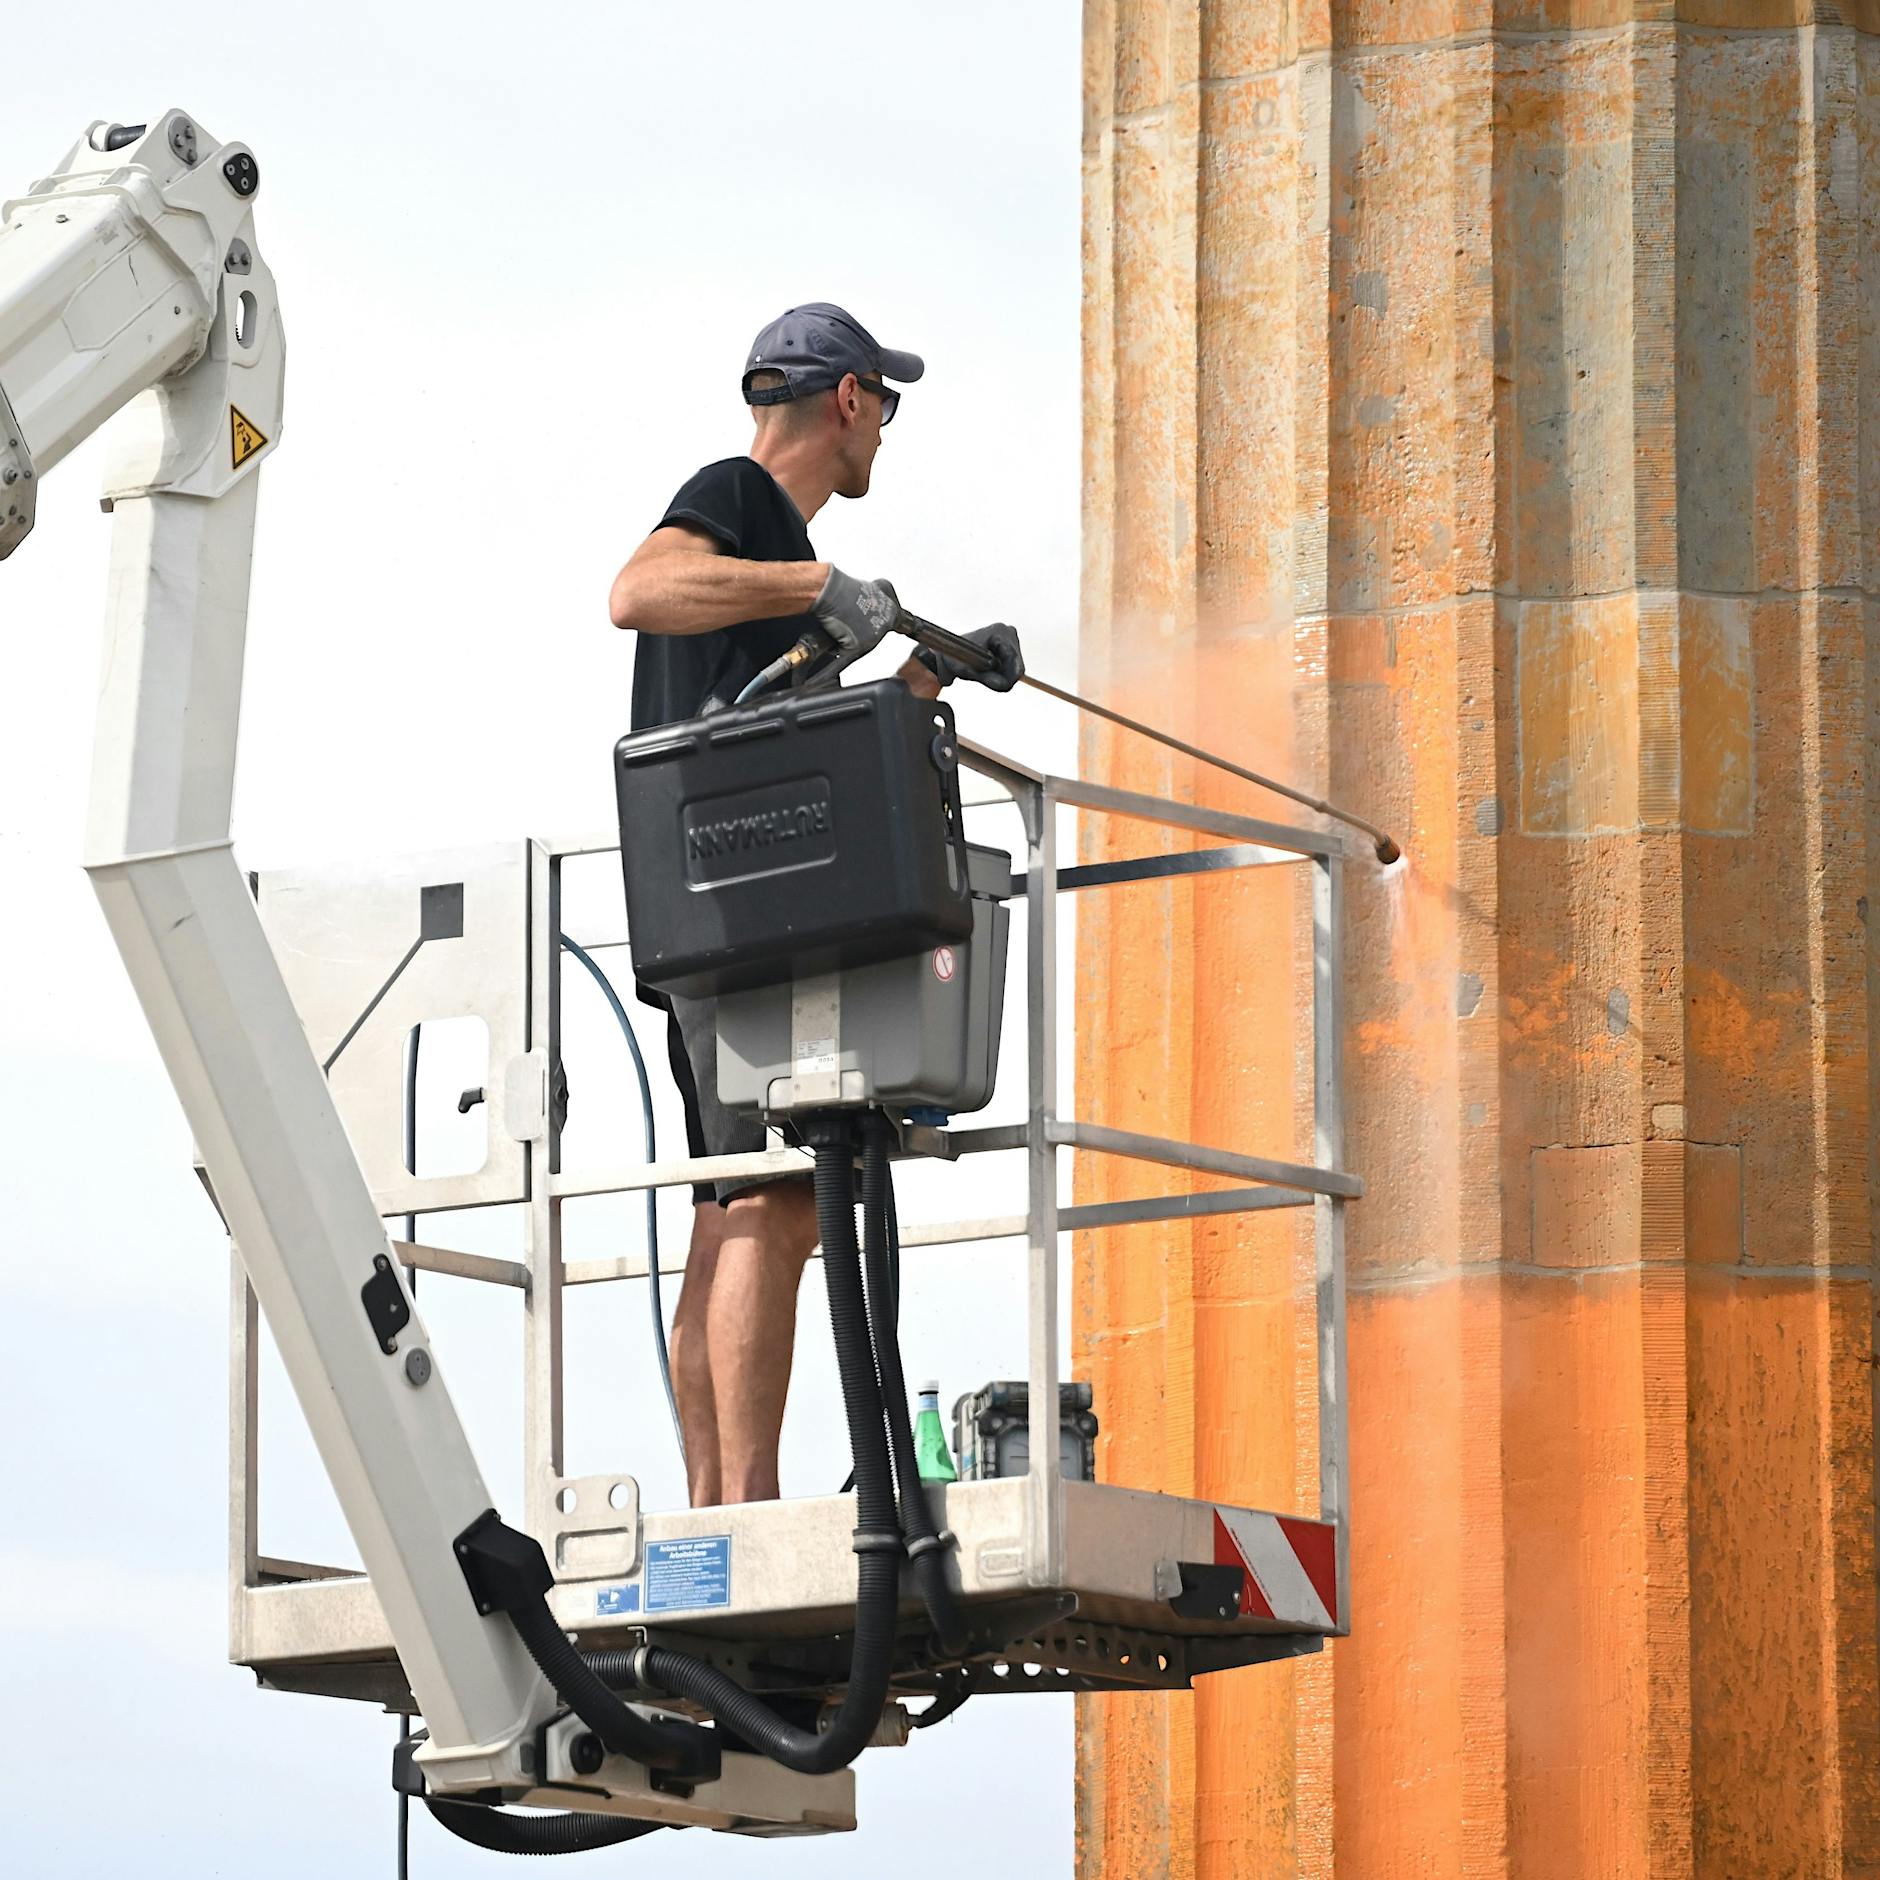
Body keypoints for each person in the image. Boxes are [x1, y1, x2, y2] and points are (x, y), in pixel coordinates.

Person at [609, 303, 1022, 1507]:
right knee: (776, 1203)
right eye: (882, 407)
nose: (885, 433)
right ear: (846, 399)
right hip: (738, 910)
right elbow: (637, 591)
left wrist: (922, 676)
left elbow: (786, 718)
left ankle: (714, 1498)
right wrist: (816, 578)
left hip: (725, 905)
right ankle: (737, 1506)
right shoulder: (739, 502)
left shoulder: (769, 567)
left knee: (730, 1202)